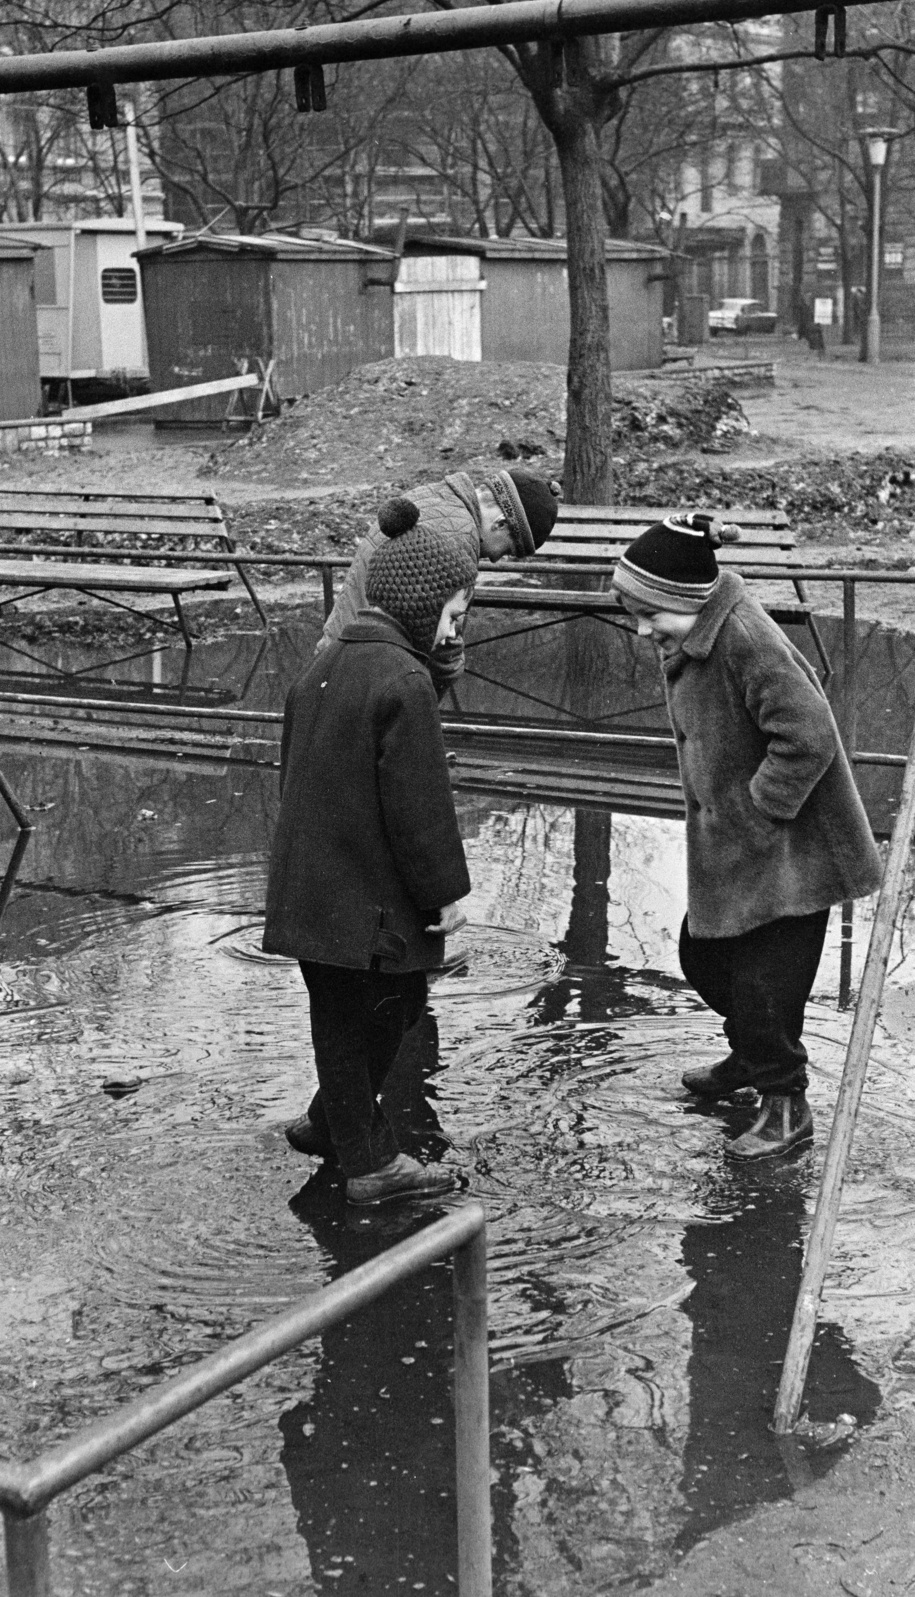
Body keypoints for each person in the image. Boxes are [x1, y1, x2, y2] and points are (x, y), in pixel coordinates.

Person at [611, 512, 882, 1159]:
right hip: (743, 847)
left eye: (651, 614)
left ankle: (785, 1108)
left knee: (765, 985)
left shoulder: (744, 638)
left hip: (793, 852)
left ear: (688, 601)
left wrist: (761, 807)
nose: (642, 629)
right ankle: (751, 1056)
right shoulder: (697, 633)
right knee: (703, 956)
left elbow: (809, 733)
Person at [263, 497, 476, 1205]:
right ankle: (370, 1164)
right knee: (394, 1005)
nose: (453, 631)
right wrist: (444, 895)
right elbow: (420, 808)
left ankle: (332, 1123)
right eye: (451, 615)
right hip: (366, 902)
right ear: (419, 608)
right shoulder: (403, 682)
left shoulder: (322, 667)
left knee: (336, 1015)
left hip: (307, 892)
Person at [318, 466, 562, 695]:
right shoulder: (460, 536)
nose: (498, 559)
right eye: (508, 549)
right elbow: (438, 635)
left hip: (337, 653)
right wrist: (446, 678)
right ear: (500, 523)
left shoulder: (435, 495)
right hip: (367, 678)